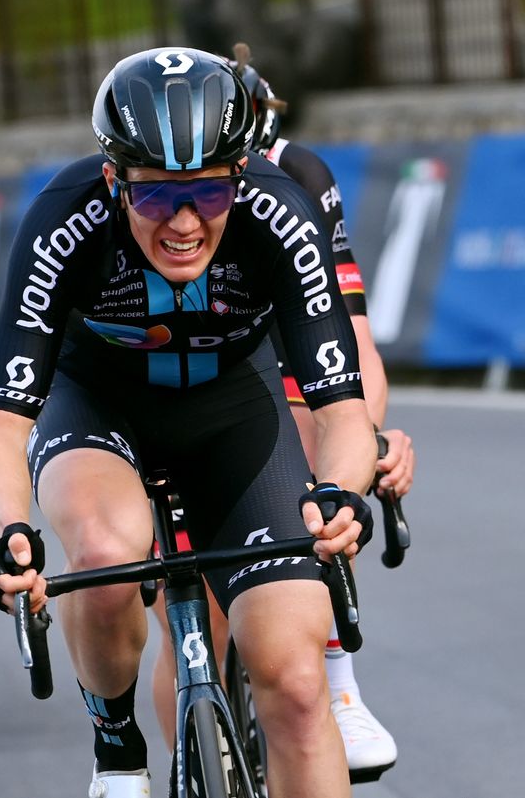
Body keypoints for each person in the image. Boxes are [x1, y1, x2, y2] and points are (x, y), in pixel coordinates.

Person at [0, 48, 376, 797]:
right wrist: (9, 529)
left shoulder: (280, 214)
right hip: (98, 401)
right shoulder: (62, 222)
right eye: (157, 197)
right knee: (99, 553)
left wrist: (344, 491)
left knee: (292, 683)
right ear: (112, 179)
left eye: (210, 193)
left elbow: (343, 410)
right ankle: (119, 748)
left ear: (241, 174)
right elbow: (0, 427)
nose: (186, 221)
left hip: (233, 410)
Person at [144, 43, 415, 782]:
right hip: (176, 373)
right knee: (192, 615)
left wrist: (365, 436)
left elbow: (349, 342)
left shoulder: (295, 179)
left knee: (317, 461)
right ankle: (198, 760)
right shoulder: (153, 194)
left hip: (280, 360)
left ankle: (335, 676)